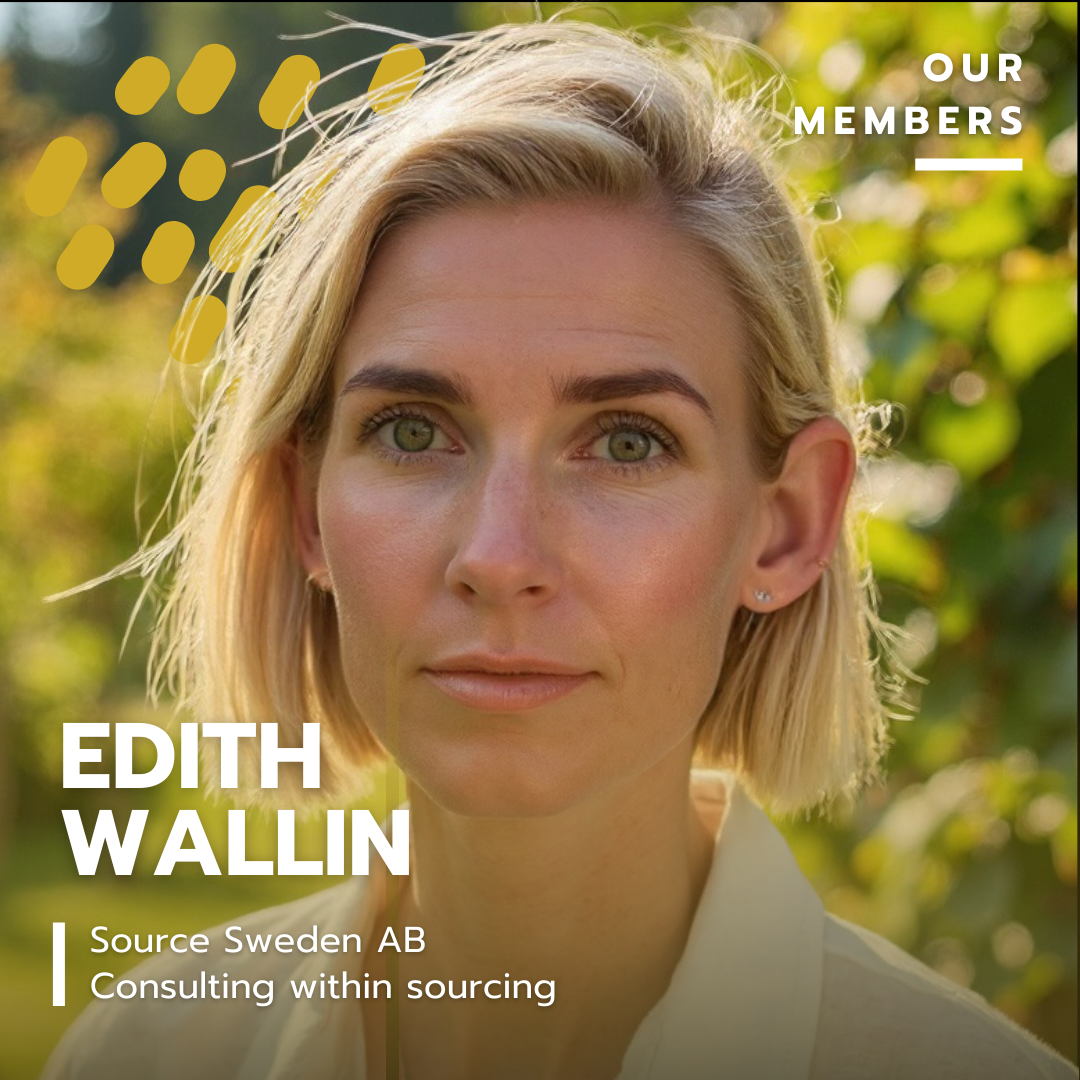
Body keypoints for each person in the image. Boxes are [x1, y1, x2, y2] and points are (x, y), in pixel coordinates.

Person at [42, 18, 1076, 1080]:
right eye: (411, 431)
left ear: (788, 526)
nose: (498, 555)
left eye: (626, 443)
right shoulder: (141, 1055)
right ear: (306, 510)